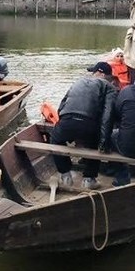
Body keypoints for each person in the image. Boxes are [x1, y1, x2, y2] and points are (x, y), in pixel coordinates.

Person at [50, 62, 118, 190]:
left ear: (101, 73)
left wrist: (67, 128)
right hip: (88, 124)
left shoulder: (78, 82)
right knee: (95, 143)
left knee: (55, 139)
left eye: (94, 72)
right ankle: (89, 178)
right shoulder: (110, 88)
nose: (91, 74)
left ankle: (65, 174)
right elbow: (107, 116)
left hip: (67, 121)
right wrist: (103, 141)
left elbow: (61, 107)